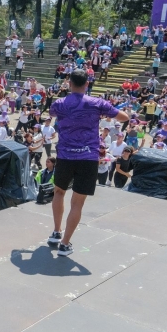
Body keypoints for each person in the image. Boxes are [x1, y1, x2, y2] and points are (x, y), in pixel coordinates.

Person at [47, 69, 129, 256]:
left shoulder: (60, 103)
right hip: (87, 157)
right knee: (77, 203)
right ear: (87, 84)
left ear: (69, 83)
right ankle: (65, 244)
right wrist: (106, 113)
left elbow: (52, 112)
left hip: (65, 155)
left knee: (58, 192)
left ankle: (56, 231)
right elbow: (124, 117)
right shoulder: (97, 103)